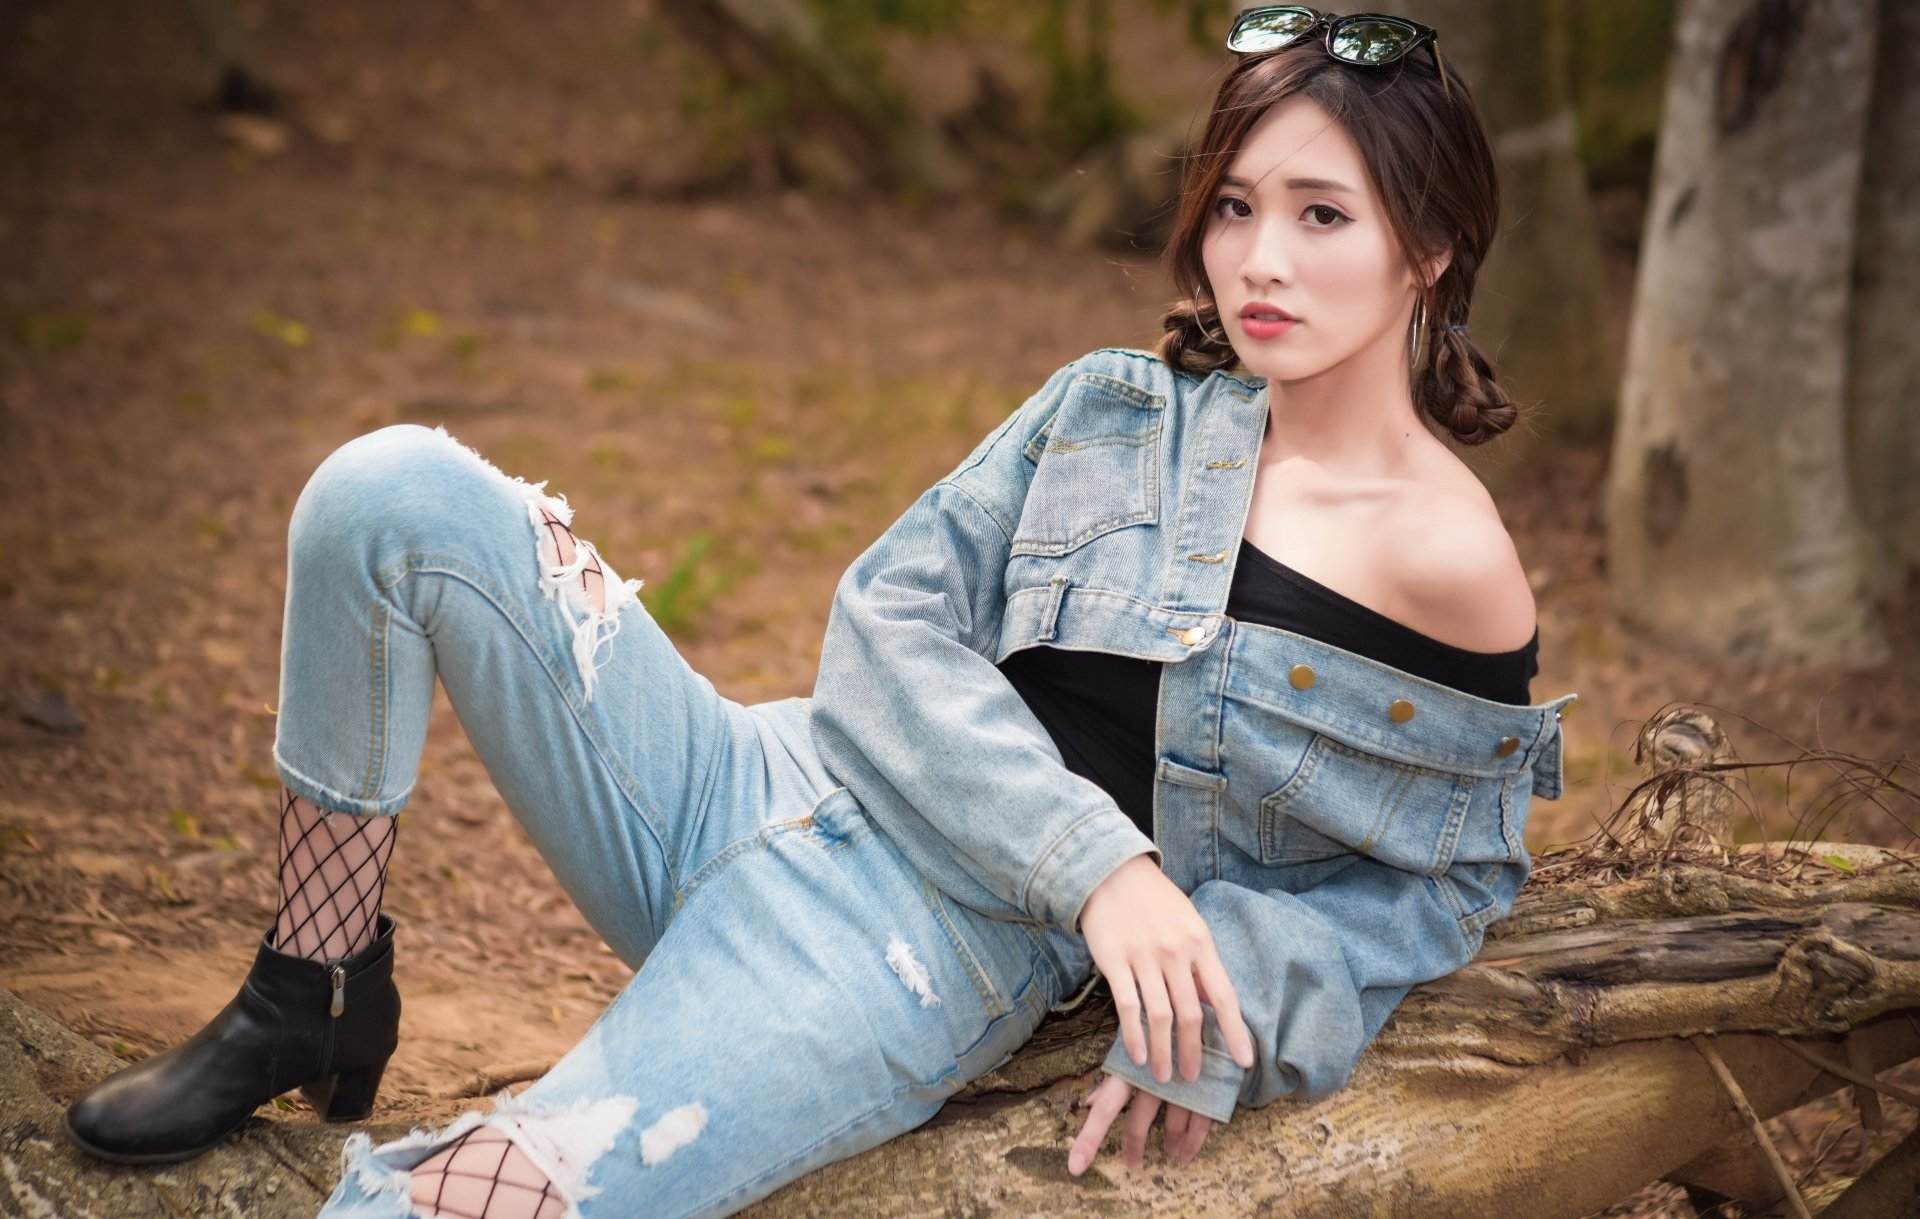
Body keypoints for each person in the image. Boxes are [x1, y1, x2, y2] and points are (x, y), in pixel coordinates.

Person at [64, 7, 1575, 1216]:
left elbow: (1445, 885)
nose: (1260, 258)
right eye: (1237, 205)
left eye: (1323, 214)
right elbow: (886, 619)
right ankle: (315, 985)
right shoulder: (1115, 408)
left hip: (904, 953)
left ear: (1428, 247)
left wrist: (1217, 999)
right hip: (751, 775)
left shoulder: (1445, 557)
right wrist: (1104, 863)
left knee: (477, 1202)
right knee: (388, 491)